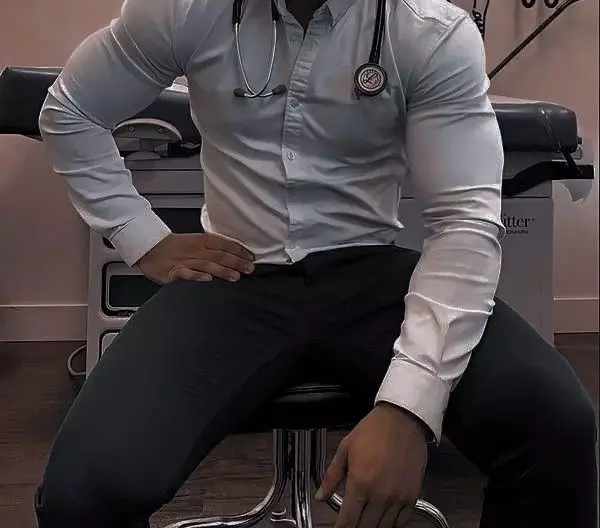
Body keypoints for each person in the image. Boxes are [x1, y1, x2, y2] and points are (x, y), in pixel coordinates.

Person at [34, 0, 597, 527]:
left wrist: (408, 409)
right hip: (235, 274)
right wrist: (142, 237)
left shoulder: (427, 30)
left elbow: (464, 220)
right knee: (83, 492)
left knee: (556, 427)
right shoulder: (187, 9)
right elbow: (72, 110)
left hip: (371, 275)